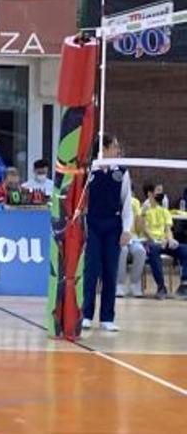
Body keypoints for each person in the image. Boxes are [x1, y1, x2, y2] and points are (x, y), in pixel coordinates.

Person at [81, 134, 131, 332]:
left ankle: (107, 318)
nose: (118, 151)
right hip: (93, 223)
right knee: (91, 270)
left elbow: (127, 203)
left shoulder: (122, 172)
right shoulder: (89, 171)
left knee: (110, 271)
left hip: (113, 225)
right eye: (115, 147)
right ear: (104, 148)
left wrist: (126, 230)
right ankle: (86, 315)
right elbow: (82, 200)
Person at [138, 184, 187, 299]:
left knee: (185, 249)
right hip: (149, 242)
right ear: (150, 193)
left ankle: (184, 284)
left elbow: (168, 229)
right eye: (158, 191)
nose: (161, 194)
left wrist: (169, 239)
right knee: (153, 249)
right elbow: (142, 229)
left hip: (164, 241)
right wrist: (155, 240)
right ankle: (161, 286)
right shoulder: (143, 210)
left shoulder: (164, 211)